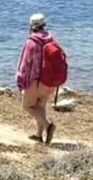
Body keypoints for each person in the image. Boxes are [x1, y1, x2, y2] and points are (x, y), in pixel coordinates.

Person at [16, 13, 66, 144]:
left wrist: (20, 82)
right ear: (44, 24)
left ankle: (48, 126)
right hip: (49, 81)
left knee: (27, 106)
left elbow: (24, 64)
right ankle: (39, 135)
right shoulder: (51, 39)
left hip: (36, 81)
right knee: (40, 106)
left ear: (31, 26)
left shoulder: (31, 42)